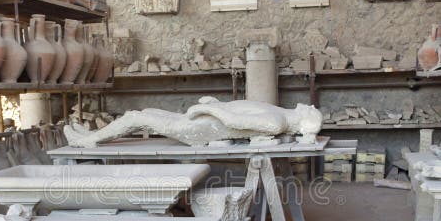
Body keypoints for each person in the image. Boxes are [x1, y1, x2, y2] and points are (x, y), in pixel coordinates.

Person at [63, 97, 323, 148]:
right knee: (147, 109)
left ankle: (86, 141)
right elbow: (238, 110)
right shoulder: (278, 113)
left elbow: (233, 119)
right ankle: (93, 134)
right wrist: (215, 103)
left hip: (198, 129)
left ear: (303, 119)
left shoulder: (276, 122)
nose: (309, 105)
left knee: (136, 118)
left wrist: (205, 108)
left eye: (310, 110)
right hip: (204, 119)